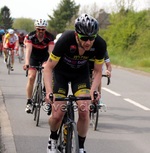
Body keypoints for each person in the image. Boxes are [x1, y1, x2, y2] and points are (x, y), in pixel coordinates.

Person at [44, 13, 107, 153]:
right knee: (57, 114)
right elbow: (48, 68)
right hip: (61, 74)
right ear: (77, 35)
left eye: (92, 38)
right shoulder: (66, 40)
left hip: (80, 75)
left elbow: (97, 72)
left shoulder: (100, 44)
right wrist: (48, 92)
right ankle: (53, 139)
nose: (88, 42)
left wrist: (93, 91)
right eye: (84, 38)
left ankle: (81, 146)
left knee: (84, 110)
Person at [23, 19, 54, 113]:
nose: (41, 31)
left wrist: (51, 64)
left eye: (43, 29)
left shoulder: (50, 37)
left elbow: (51, 52)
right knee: (31, 77)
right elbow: (28, 51)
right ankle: (29, 101)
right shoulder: (31, 36)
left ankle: (46, 94)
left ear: (45, 29)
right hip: (34, 57)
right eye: (39, 29)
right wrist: (27, 63)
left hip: (45, 57)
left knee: (46, 72)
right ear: (35, 29)